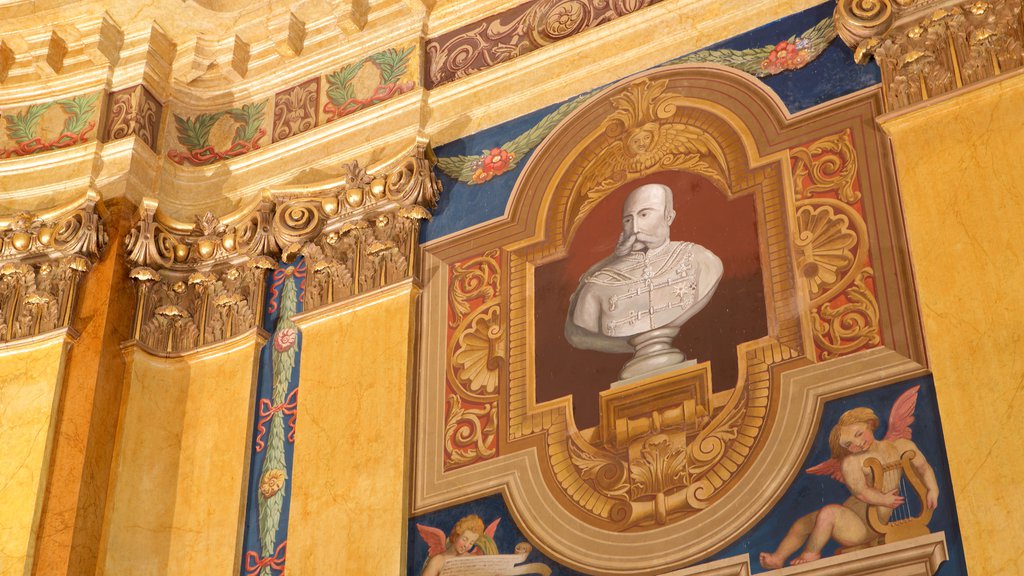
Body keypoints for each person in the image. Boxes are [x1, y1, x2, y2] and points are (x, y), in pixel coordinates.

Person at [565, 183, 722, 379]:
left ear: (668, 217)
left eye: (644, 215)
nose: (635, 228)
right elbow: (580, 326)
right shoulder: (598, 284)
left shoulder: (702, 261)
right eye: (628, 219)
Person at [758, 405, 940, 569]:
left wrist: (933, 489)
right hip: (853, 514)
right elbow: (861, 492)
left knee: (828, 514)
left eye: (859, 434)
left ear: (870, 424)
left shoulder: (900, 446)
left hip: (866, 526)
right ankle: (778, 558)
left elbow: (923, 468)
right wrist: (884, 499)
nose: (857, 444)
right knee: (804, 523)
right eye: (848, 444)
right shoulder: (851, 462)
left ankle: (810, 554)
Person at [420, 514, 494, 576]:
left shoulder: (473, 559)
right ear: (456, 536)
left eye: (471, 543)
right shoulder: (438, 561)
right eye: (464, 539)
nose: (466, 545)